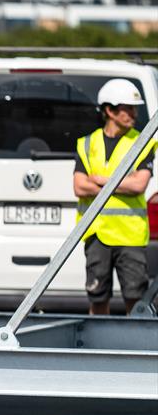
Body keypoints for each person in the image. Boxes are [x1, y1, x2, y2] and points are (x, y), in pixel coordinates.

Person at [73, 78, 157, 315]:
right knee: (97, 298)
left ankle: (136, 347)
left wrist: (100, 180)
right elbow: (79, 187)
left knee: (137, 300)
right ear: (109, 110)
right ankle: (98, 346)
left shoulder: (143, 142)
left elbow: (139, 185)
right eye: (127, 108)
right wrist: (121, 183)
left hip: (129, 235)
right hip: (96, 233)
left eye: (134, 108)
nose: (133, 113)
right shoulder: (87, 143)